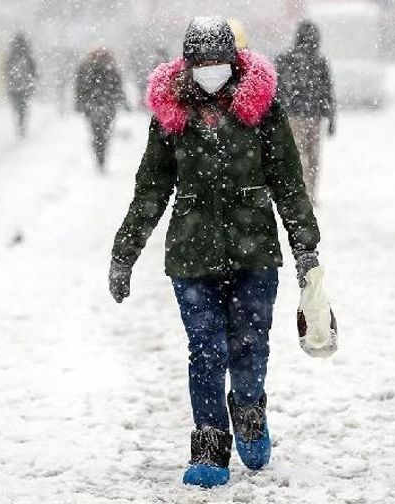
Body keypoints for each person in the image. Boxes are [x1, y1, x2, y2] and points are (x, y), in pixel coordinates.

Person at [109, 16, 322, 488]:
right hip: (191, 254)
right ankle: (208, 447)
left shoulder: (262, 109)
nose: (209, 69)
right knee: (205, 350)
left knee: (250, 345)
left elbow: (289, 185)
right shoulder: (171, 114)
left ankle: (248, 409)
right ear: (188, 64)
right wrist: (124, 253)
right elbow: (150, 189)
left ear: (233, 61)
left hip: (255, 252)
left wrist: (306, 250)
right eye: (200, 61)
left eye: (217, 60)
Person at [275, 20, 335, 204]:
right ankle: (310, 194)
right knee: (312, 159)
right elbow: (327, 91)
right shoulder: (319, 61)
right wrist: (331, 118)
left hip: (292, 116)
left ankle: (297, 194)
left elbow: (277, 90)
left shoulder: (285, 59)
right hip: (313, 117)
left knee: (295, 157)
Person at [74, 48, 128, 171]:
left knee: (96, 132)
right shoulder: (111, 67)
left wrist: (79, 103)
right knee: (104, 132)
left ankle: (99, 153)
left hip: (92, 105)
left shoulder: (86, 68)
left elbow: (80, 87)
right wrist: (122, 101)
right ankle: (101, 154)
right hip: (108, 105)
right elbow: (118, 87)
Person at [4, 34, 37, 138]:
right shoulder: (26, 54)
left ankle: (20, 125)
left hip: (13, 87)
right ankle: (22, 125)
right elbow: (33, 70)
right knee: (23, 107)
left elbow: (6, 69)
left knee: (18, 107)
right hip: (24, 86)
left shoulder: (12, 54)